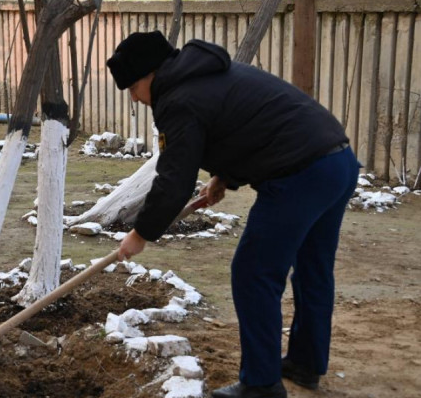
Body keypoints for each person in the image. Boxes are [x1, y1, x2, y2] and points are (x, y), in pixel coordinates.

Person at [107, 31, 359, 398]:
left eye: (132, 87)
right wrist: (224, 176)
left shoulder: (178, 99)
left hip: (300, 175)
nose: (133, 97)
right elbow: (246, 124)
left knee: (253, 272)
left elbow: (174, 180)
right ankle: (306, 362)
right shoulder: (207, 74)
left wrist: (141, 233)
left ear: (151, 73)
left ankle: (261, 384)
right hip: (337, 162)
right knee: (313, 268)